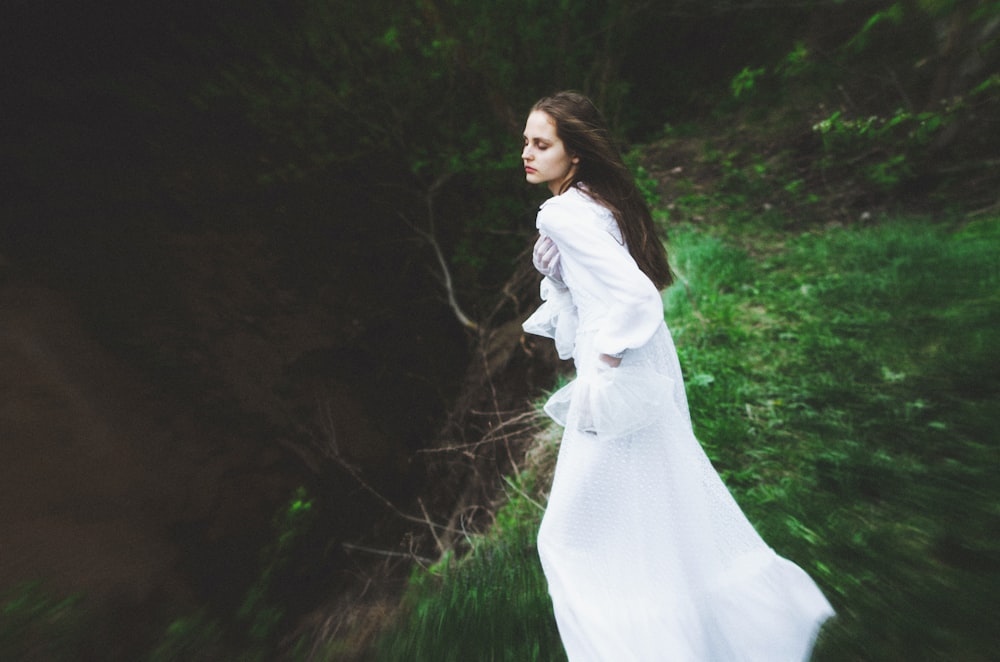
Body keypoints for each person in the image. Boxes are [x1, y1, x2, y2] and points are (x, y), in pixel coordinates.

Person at [521, 91, 834, 661]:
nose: (527, 152)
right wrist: (562, 279)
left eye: (541, 144)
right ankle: (709, 630)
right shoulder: (595, 201)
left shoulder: (560, 212)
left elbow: (636, 298)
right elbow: (603, 293)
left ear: (576, 153)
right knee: (659, 501)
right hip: (647, 362)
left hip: (619, 373)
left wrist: (606, 370)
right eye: (526, 141)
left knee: (565, 537)